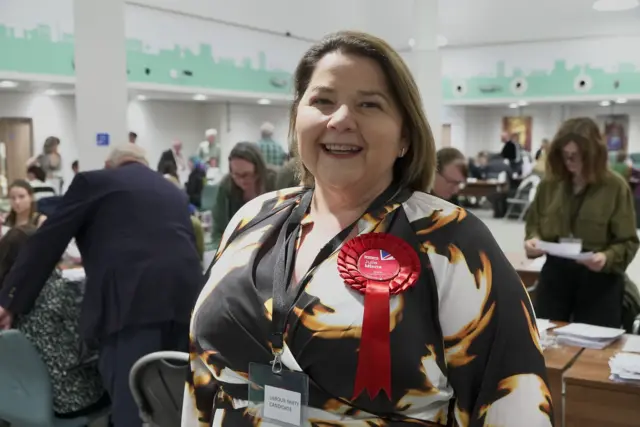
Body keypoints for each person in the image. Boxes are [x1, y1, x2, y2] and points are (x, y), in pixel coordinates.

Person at [183, 31, 552, 427]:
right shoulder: (254, 219)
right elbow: (202, 377)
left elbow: (513, 402)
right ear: (297, 119)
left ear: (404, 136)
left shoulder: (450, 241)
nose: (340, 119)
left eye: (369, 104)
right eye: (322, 101)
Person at [0, 144, 203, 427]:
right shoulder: (173, 191)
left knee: (132, 406)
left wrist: (9, 300)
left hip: (130, 305)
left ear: (110, 165)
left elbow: (47, 240)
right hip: (188, 302)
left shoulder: (94, 181)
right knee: (176, 406)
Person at [525, 117, 639, 327]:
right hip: (555, 276)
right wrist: (533, 240)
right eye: (565, 155)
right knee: (546, 342)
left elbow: (628, 241)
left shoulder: (615, 187)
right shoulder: (549, 185)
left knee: (593, 350)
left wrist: (606, 258)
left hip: (599, 279)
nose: (570, 162)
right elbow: (534, 226)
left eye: (577, 156)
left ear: (594, 154)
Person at [1, 225, 107, 417]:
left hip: (15, 396)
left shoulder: (7, 297)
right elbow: (84, 347)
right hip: (67, 399)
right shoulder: (59, 290)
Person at [211, 142, 277, 247]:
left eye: (246, 175)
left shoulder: (275, 180)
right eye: (236, 175)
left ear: (258, 170)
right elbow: (218, 231)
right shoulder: (226, 186)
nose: (241, 180)